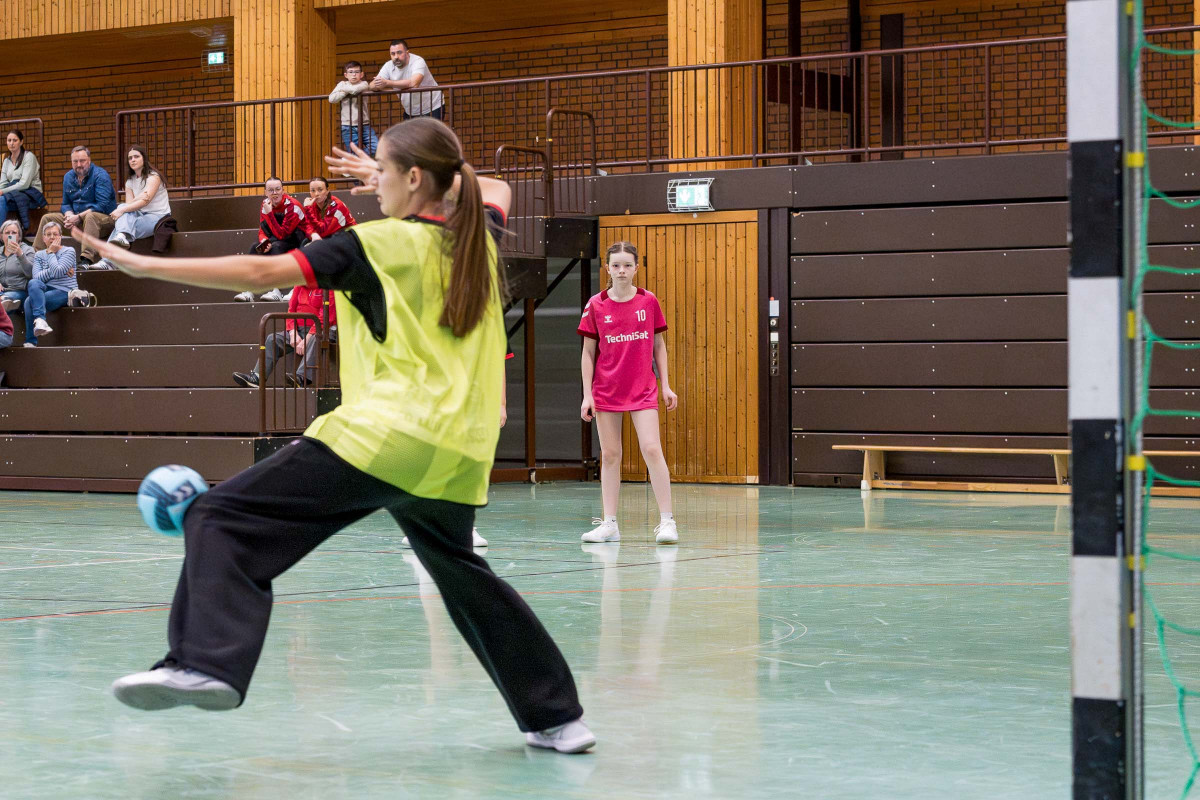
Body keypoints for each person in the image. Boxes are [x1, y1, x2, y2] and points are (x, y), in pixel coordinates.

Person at [81, 118, 595, 755]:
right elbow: (493, 187)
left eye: (383, 172)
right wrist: (404, 171)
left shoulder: (374, 245)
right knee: (463, 574)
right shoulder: (476, 241)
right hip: (458, 454)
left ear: (415, 179)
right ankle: (556, 716)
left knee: (219, 517)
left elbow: (257, 273)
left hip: (387, 437)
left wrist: (140, 264)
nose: (373, 184)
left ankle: (204, 662)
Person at [578, 241, 679, 545]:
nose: (621, 270)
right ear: (607, 268)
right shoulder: (595, 304)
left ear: (636, 268)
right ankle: (609, 523)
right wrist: (587, 394)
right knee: (610, 454)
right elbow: (588, 352)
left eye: (627, 265)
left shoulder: (648, 301)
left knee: (651, 448)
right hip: (606, 389)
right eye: (616, 265)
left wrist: (666, 384)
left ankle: (667, 521)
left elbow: (659, 345)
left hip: (642, 388)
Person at [232, 283, 335, 388]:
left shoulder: (327, 287)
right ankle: (257, 378)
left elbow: (326, 316)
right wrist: (293, 333)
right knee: (273, 339)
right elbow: (291, 310)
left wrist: (308, 338)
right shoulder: (299, 285)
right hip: (299, 329)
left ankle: (301, 378)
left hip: (321, 330)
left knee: (316, 338)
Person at [90, 146, 171, 270]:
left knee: (122, 222)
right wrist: (131, 202)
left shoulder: (153, 177)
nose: (133, 160)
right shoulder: (130, 181)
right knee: (123, 209)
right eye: (130, 158)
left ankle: (109, 260)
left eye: (136, 156)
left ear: (144, 158)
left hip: (158, 217)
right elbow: (129, 206)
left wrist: (122, 209)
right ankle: (121, 239)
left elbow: (145, 201)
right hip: (139, 215)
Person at [35, 145, 117, 265]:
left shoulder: (100, 175)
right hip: (78, 221)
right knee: (47, 218)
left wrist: (78, 217)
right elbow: (65, 203)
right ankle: (36, 256)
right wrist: (69, 215)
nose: (79, 164)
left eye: (82, 161)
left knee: (91, 217)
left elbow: (102, 205)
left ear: (89, 160)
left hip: (104, 221)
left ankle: (86, 260)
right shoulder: (68, 177)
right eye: (75, 161)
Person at [234, 177, 310, 302]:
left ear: (283, 190)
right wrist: (264, 240)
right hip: (277, 238)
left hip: (297, 241)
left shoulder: (293, 206)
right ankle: (249, 291)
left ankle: (277, 290)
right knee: (255, 247)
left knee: (276, 247)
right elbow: (262, 229)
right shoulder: (265, 204)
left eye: (277, 189)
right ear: (266, 192)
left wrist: (270, 213)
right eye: (270, 190)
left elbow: (283, 234)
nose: (274, 193)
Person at [24, 221, 77, 347]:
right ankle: (40, 322)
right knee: (33, 283)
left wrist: (51, 253)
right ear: (44, 238)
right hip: (46, 288)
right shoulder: (39, 255)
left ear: (60, 237)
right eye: (48, 234)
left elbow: (58, 272)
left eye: (55, 234)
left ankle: (32, 339)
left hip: (65, 290)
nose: (52, 237)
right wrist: (59, 269)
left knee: (29, 302)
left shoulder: (69, 251)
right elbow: (37, 277)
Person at [370, 39, 444, 120]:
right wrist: (377, 85)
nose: (396, 57)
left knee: (431, 129)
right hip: (410, 111)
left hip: (433, 106)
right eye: (393, 54)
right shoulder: (388, 66)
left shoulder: (418, 61)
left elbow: (414, 83)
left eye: (399, 52)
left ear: (407, 52)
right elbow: (372, 85)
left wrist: (387, 83)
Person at [0, 129, 47, 234]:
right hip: (14, 194)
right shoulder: (6, 161)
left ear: (21, 142)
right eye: (9, 140)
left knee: (1, 200)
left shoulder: (29, 157)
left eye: (15, 140)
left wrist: (3, 191)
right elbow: (2, 184)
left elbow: (24, 184)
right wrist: (2, 190)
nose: (11, 143)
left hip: (31, 194)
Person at [329, 61, 378, 157]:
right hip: (347, 126)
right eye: (351, 72)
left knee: (375, 147)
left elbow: (354, 91)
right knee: (353, 152)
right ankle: (355, 158)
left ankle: (354, 158)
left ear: (361, 74)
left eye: (357, 72)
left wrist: (343, 90)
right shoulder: (342, 84)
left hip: (364, 125)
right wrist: (344, 92)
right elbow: (331, 99)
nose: (354, 74)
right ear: (346, 75)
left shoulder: (364, 84)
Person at [302, 176, 356, 242]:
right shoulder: (311, 205)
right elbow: (307, 225)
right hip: (332, 238)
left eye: (320, 190)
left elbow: (323, 232)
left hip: (349, 238)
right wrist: (312, 234)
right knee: (305, 242)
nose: (316, 194)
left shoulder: (336, 206)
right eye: (313, 190)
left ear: (327, 191)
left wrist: (307, 209)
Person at [0, 219, 34, 313]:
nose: (10, 235)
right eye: (7, 233)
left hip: (19, 291)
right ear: (1, 236)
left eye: (14, 233)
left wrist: (20, 255)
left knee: (6, 301)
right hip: (1, 292)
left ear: (19, 236)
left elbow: (31, 274)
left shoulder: (28, 250)